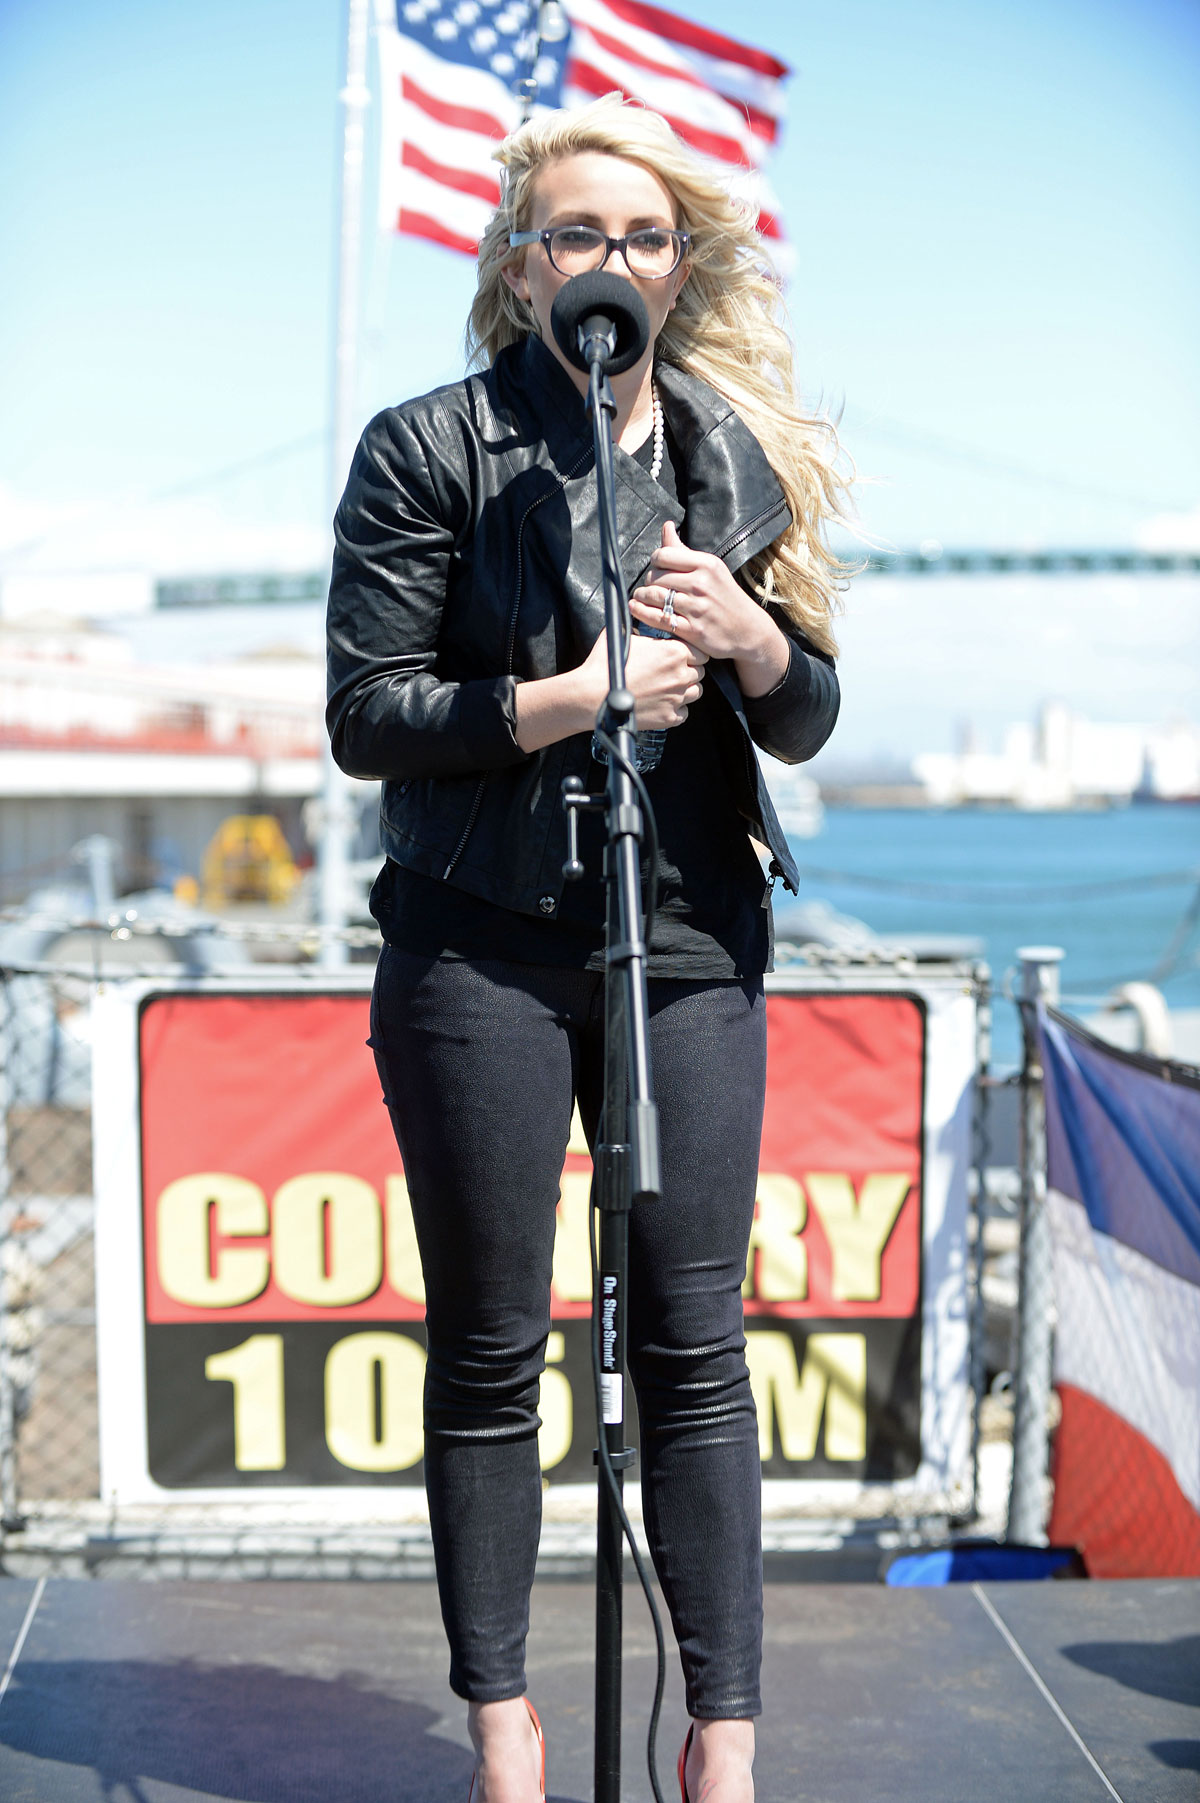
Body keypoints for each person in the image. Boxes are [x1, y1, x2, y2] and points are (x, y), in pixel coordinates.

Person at [327, 94, 850, 1803]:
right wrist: (568, 701)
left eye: (636, 235)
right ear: (519, 262)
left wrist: (760, 644)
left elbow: (808, 720)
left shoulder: (730, 458)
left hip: (687, 938)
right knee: (491, 1341)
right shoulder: (428, 448)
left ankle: (725, 1740)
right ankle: (505, 1730)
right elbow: (366, 713)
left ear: (675, 264)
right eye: (572, 234)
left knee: (696, 1341)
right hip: (476, 951)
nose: (606, 261)